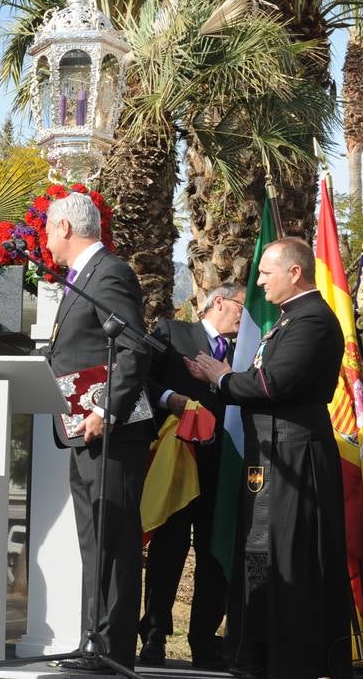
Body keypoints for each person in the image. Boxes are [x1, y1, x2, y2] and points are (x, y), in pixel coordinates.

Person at [186, 238, 353, 679]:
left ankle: (292, 659)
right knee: (258, 555)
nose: (258, 283)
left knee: (290, 557)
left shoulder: (313, 321)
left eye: (265, 273)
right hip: (269, 455)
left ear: (294, 273)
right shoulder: (288, 321)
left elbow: (272, 384)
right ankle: (255, 653)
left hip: (296, 458)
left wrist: (223, 378)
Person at [42, 192, 153, 674]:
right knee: (94, 541)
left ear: (65, 227)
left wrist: (106, 410)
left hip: (109, 432)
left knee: (113, 540)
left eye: (49, 229)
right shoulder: (81, 278)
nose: (45, 240)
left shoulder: (109, 273)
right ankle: (94, 643)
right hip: (80, 431)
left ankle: (111, 650)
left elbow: (134, 348)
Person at [138, 283, 243, 670]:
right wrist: (171, 400)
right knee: (168, 549)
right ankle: (154, 634)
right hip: (177, 461)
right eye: (241, 308)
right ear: (220, 301)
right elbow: (138, 378)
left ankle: (204, 641)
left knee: (215, 554)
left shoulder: (244, 351)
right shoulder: (172, 333)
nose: (244, 318)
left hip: (223, 466)